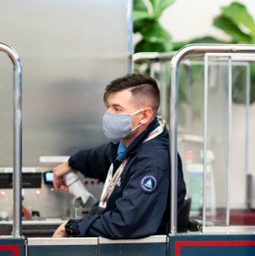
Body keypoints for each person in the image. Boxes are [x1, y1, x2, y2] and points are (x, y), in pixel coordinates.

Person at [52, 73, 186, 239]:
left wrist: (72, 227)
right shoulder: (131, 144)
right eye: (108, 107)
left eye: (117, 109)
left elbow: (125, 223)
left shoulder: (153, 162)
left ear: (144, 115)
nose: (108, 115)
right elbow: (102, 157)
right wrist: (71, 164)